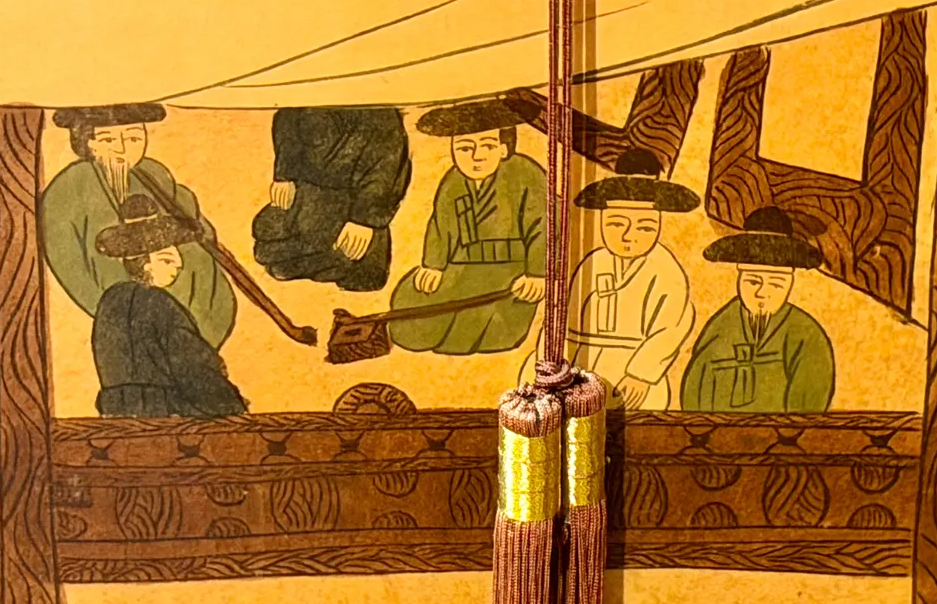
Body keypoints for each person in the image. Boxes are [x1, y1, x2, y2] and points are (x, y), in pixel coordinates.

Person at [41, 102, 236, 348]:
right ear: (86, 142)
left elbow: (196, 239)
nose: (122, 149)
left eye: (134, 138)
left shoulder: (154, 174)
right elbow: (72, 264)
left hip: (181, 302)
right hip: (128, 314)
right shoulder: (70, 187)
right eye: (108, 140)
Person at [387, 99, 546, 355]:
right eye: (464, 148)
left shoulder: (526, 174)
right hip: (460, 266)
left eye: (487, 146)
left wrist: (537, 273)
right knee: (411, 305)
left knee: (479, 330)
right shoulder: (454, 180)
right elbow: (440, 225)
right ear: (452, 150)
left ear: (504, 149)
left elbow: (544, 225)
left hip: (510, 272)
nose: (476, 156)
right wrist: (434, 265)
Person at [544, 149, 696, 409]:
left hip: (634, 377)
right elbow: (561, 318)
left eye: (644, 227)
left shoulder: (666, 270)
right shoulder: (592, 263)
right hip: (582, 369)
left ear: (658, 225)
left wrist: (641, 374)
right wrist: (551, 369)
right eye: (616, 224)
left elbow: (673, 327)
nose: (628, 236)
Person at [91, 194, 247, 419]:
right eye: (166, 259)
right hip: (165, 412)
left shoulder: (110, 300)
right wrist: (230, 405)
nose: (179, 265)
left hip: (117, 412)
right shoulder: (159, 304)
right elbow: (192, 366)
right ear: (145, 264)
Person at [680, 205, 835, 413]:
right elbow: (695, 390)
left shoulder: (806, 335)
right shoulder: (720, 328)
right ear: (739, 278)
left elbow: (810, 406)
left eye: (776, 284)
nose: (762, 293)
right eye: (753, 282)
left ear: (790, 284)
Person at [252, 107, 411, 291]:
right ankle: (321, 259)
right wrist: (285, 174)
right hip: (309, 191)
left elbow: (386, 166)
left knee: (353, 256)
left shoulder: (381, 115)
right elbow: (287, 122)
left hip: (352, 204)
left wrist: (364, 220)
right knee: (266, 234)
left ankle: (342, 263)